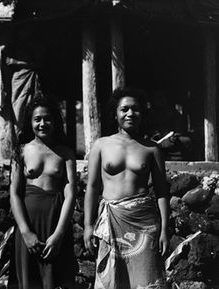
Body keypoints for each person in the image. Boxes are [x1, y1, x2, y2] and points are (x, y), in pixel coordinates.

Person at [83, 88, 170, 289]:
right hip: (111, 221)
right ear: (115, 114)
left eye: (136, 109)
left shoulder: (152, 149)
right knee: (112, 281)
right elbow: (93, 186)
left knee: (146, 279)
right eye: (124, 109)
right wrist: (88, 226)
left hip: (144, 223)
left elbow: (162, 191)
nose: (130, 113)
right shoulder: (101, 145)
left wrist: (165, 229)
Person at [10, 96, 76, 289]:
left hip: (55, 223)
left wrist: (58, 234)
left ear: (55, 121)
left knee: (57, 279)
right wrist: (25, 231)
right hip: (28, 224)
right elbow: (14, 193)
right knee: (28, 280)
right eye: (37, 119)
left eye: (47, 119)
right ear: (30, 122)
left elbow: (70, 194)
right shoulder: (21, 151)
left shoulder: (65, 153)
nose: (42, 123)